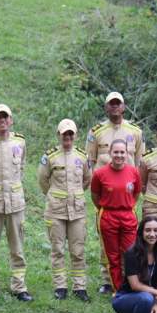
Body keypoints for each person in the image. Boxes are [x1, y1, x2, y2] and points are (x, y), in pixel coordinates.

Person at [87, 91, 144, 294]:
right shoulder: (96, 132)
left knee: (129, 249)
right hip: (107, 201)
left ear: (123, 106)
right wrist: (103, 203)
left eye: (117, 103)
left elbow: (138, 163)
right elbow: (90, 161)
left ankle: (129, 282)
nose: (114, 107)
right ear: (106, 107)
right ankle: (108, 281)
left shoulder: (135, 132)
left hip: (126, 201)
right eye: (110, 104)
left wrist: (128, 201)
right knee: (108, 249)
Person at [0, 104, 32, 303]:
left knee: (17, 248)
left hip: (15, 204)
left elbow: (22, 168)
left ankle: (19, 287)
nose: (2, 121)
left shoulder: (20, 142)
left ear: (11, 120)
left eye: (5, 117)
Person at [37, 119, 91, 302]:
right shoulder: (50, 157)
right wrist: (54, 196)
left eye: (70, 134)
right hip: (56, 210)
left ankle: (80, 286)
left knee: (78, 250)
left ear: (75, 135)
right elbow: (43, 180)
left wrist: (75, 195)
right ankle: (60, 286)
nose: (67, 137)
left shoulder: (82, 157)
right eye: (64, 134)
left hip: (77, 210)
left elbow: (86, 180)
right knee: (57, 249)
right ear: (58, 135)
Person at [91, 139, 142, 292]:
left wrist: (126, 205)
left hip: (128, 216)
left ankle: (131, 286)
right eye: (116, 152)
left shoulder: (133, 172)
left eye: (122, 152)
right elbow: (95, 196)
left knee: (130, 254)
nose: (119, 155)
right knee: (112, 256)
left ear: (127, 154)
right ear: (110, 153)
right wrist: (106, 207)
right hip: (108, 217)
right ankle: (118, 290)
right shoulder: (99, 173)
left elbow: (137, 193)